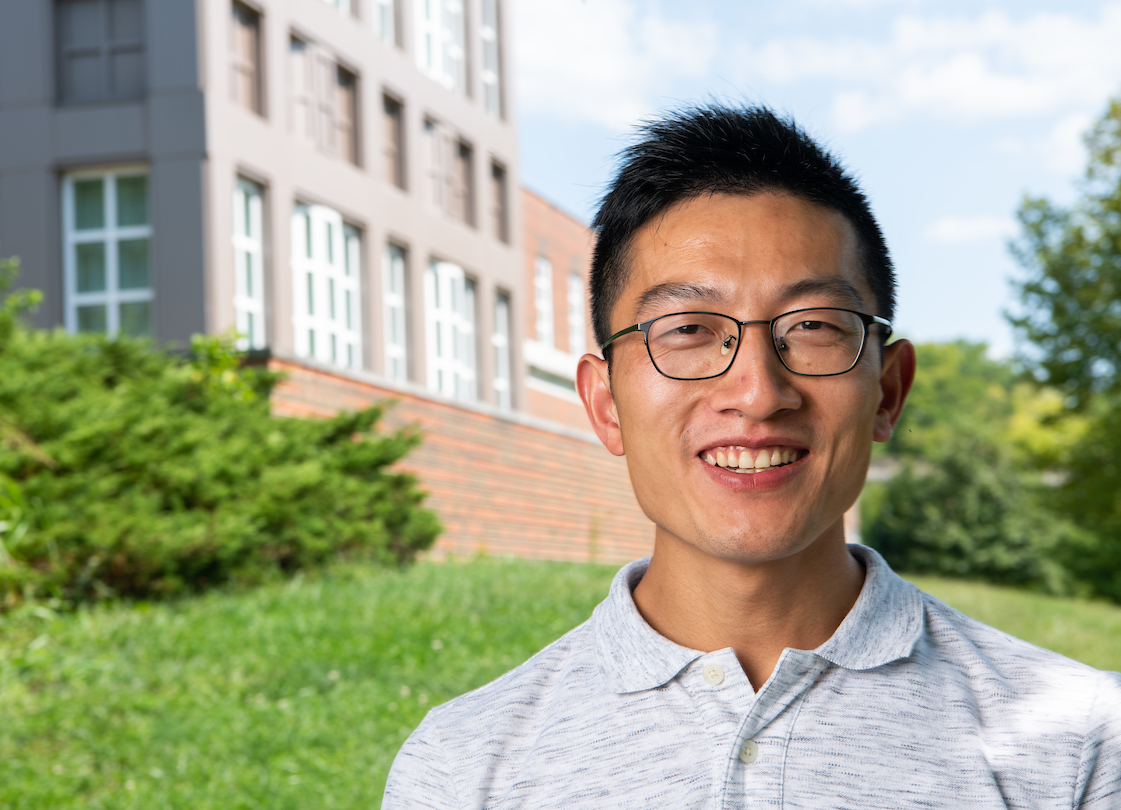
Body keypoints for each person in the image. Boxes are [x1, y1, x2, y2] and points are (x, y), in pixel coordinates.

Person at [382, 104, 1121, 808]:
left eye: (813, 326)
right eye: (688, 330)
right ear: (605, 404)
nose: (758, 392)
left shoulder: (1082, 746)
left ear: (888, 391)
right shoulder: (464, 766)